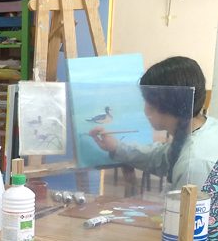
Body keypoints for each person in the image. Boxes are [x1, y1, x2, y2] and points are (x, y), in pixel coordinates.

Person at [89, 56, 218, 191]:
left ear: (165, 104)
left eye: (148, 102)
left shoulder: (195, 164)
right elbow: (161, 157)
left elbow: (184, 206)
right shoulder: (205, 128)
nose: (145, 110)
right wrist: (116, 147)